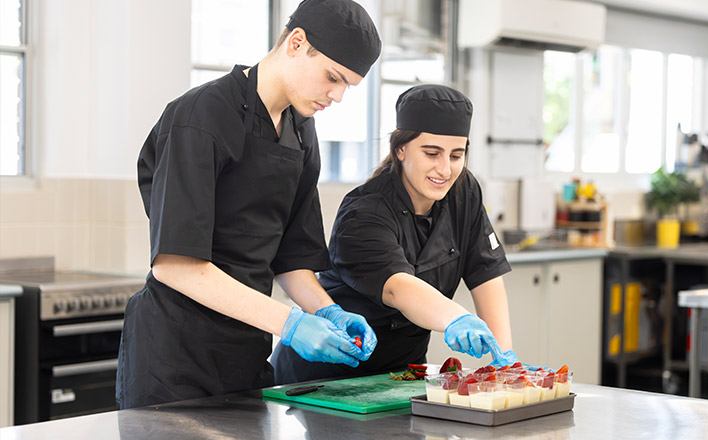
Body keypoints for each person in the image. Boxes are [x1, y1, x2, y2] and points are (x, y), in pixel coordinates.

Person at [116, 0, 382, 409]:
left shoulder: (301, 132)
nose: (338, 96)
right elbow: (175, 266)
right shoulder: (200, 116)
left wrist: (329, 312)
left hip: (246, 355)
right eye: (333, 77)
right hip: (172, 362)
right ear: (296, 43)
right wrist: (291, 324)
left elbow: (292, 261)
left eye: (348, 85)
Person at [273, 84, 518, 384]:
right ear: (400, 149)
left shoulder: (464, 191)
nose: (445, 169)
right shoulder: (364, 212)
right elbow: (397, 288)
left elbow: (486, 273)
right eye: (432, 153)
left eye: (456, 156)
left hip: (401, 374)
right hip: (327, 377)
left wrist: (504, 361)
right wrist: (457, 317)